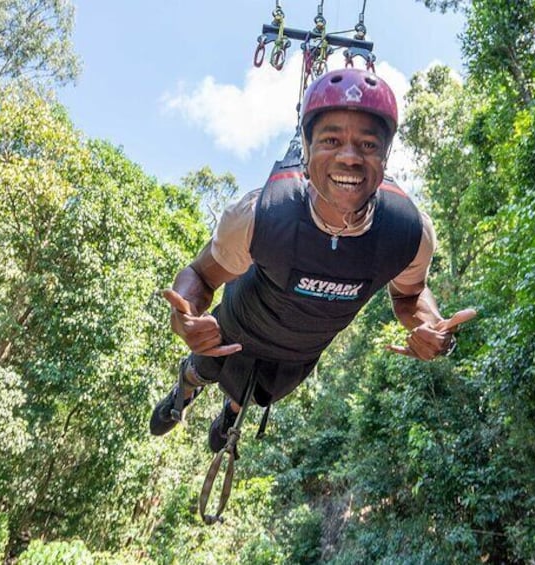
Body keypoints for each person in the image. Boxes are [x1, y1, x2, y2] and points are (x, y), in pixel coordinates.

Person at [150, 68, 476, 451]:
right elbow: (201, 275)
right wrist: (184, 317)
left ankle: (232, 414)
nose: (350, 157)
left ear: (385, 158)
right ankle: (182, 393)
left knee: (260, 395)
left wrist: (435, 330)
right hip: (238, 327)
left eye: (368, 145)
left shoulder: (407, 232)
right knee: (205, 366)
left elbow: (409, 297)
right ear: (305, 150)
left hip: (300, 352)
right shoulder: (261, 215)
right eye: (331, 140)